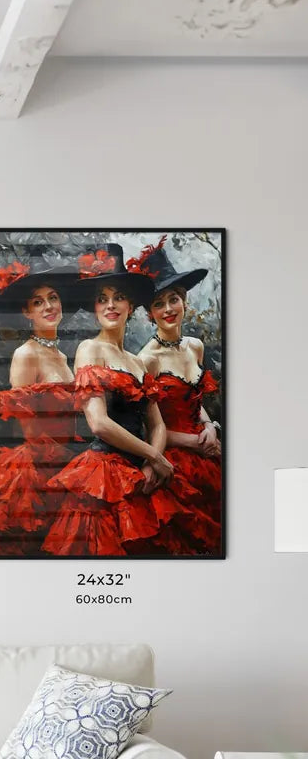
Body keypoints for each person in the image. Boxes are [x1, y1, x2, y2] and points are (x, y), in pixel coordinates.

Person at [42, 243, 188, 557]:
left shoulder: (139, 363)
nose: (111, 305)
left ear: (132, 305)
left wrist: (153, 461)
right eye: (102, 299)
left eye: (118, 297)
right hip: (104, 474)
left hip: (143, 471)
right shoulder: (89, 348)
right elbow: (98, 423)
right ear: (94, 308)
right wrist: (157, 457)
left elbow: (157, 425)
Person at [0, 261, 78, 554]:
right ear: (27, 312)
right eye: (38, 302)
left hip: (65, 462)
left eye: (53, 298)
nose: (49, 306)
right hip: (37, 472)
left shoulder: (60, 354)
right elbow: (30, 430)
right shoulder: (26, 355)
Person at [135, 237, 221, 554]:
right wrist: (195, 441)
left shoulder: (195, 346)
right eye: (159, 304)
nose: (168, 309)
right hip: (174, 460)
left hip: (207, 453)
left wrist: (211, 427)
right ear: (150, 314)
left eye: (173, 299)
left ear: (184, 300)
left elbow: (196, 404)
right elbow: (146, 429)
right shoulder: (148, 360)